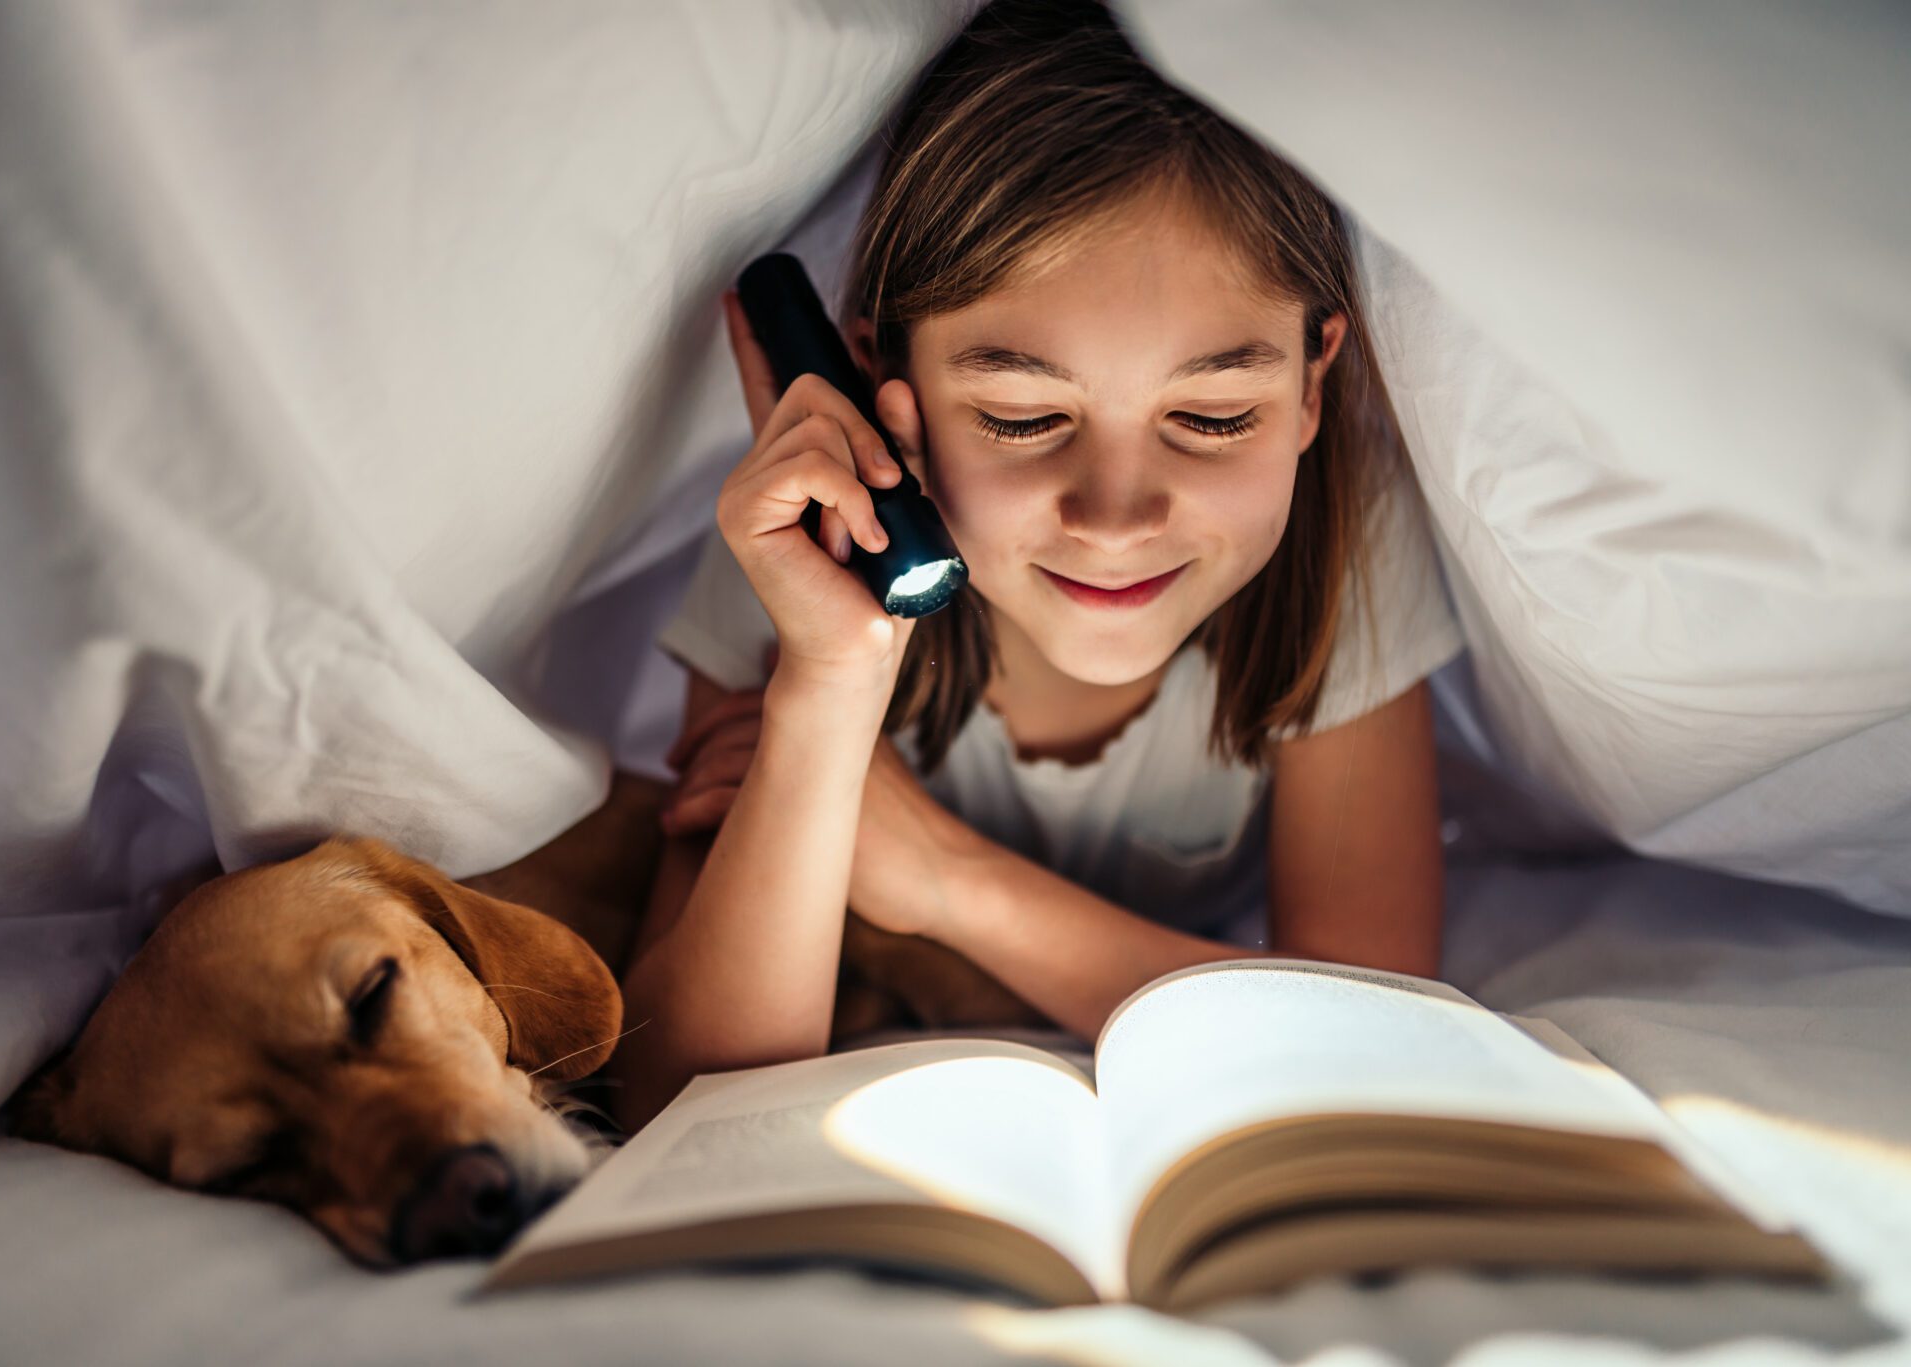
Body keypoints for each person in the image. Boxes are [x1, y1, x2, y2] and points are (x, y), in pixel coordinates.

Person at [611, 0, 1462, 1131]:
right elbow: (679, 1094)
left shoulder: (1336, 544)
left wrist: (950, 883)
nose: (1115, 518)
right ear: (878, 379)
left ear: (1310, 388)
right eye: (1019, 417)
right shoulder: (813, 552)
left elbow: (1382, 1026)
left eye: (1209, 416)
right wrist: (829, 683)